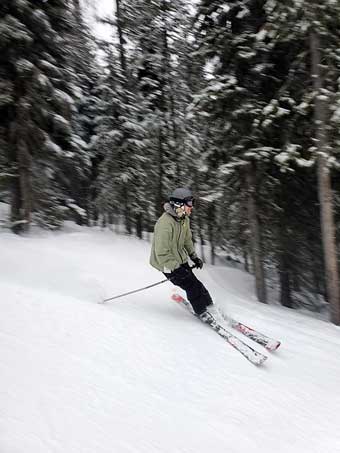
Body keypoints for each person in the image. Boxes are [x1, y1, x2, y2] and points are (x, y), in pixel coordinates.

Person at [150, 187, 217, 322]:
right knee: (191, 286)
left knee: (197, 284)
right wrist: (176, 268)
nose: (191, 208)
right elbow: (161, 253)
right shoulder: (164, 224)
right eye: (189, 204)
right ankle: (202, 312)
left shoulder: (184, 219)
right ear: (179, 205)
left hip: (179, 260)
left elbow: (187, 240)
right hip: (167, 264)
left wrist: (193, 256)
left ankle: (210, 307)